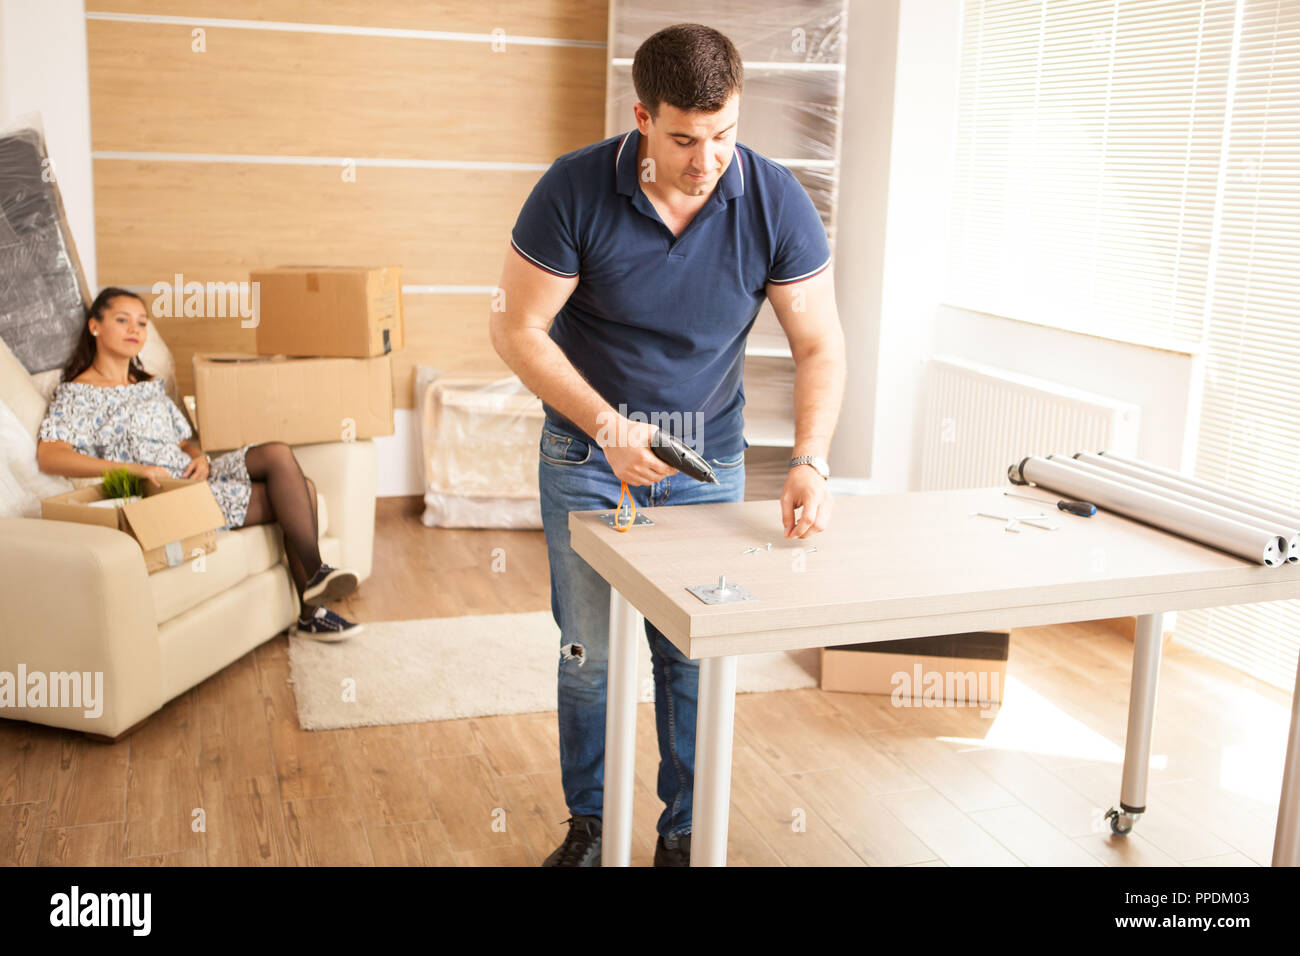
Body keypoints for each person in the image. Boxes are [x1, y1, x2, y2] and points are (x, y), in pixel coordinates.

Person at [491, 23, 846, 866]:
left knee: (690, 657)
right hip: (589, 459)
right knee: (590, 656)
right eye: (685, 138)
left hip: (708, 463)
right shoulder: (574, 189)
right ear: (643, 117)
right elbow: (517, 330)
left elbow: (819, 345)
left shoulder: (775, 198)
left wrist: (808, 459)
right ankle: (591, 826)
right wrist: (609, 428)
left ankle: (683, 835)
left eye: (724, 134)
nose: (707, 159)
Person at [34, 286, 364, 640]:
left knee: (277, 452)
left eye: (142, 323)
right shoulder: (76, 394)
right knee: (305, 490)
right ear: (95, 327)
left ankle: (315, 579)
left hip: (192, 474)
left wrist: (200, 459)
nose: (135, 329)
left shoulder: (149, 385)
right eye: (122, 320)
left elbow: (182, 443)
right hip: (164, 493)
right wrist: (131, 470)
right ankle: (313, 607)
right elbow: (50, 455)